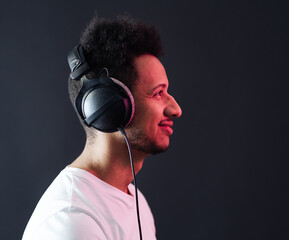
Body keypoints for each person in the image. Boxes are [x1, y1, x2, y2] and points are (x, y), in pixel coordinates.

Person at [22, 15, 182, 240]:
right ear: (110, 106)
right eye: (158, 93)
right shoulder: (72, 221)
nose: (176, 109)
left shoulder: (136, 202)